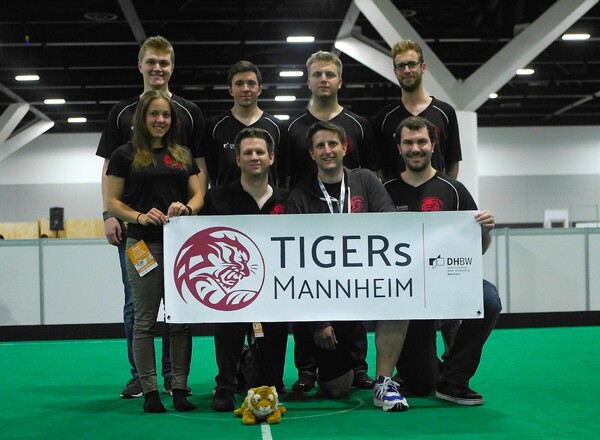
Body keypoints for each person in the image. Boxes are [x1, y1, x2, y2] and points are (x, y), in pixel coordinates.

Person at [96, 35, 206, 399]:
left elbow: (199, 180)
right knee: (137, 307)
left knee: (179, 313)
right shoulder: (121, 118)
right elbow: (110, 181)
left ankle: (175, 379)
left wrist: (191, 209)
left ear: (172, 67)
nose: (157, 68)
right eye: (151, 62)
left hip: (179, 240)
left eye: (164, 63)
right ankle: (142, 379)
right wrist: (113, 215)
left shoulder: (189, 118)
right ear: (140, 65)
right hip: (138, 240)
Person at [384, 115, 502, 405]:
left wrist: (485, 231)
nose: (415, 148)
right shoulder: (385, 191)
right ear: (398, 147)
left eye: (421, 141)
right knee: (421, 384)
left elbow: (476, 250)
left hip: (446, 283)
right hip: (406, 292)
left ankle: (454, 378)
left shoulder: (454, 190)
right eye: (408, 142)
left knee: (488, 299)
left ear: (433, 144)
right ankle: (425, 371)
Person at [286, 121, 404, 400]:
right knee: (336, 390)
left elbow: (389, 223)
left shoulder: (364, 180)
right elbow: (294, 265)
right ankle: (310, 368)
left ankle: (360, 367)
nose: (327, 150)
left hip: (360, 286)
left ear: (345, 147)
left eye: (333, 144)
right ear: (312, 154)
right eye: (320, 146)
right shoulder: (300, 195)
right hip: (321, 296)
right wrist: (319, 322)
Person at [286, 50, 378, 392]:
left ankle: (359, 366)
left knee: (354, 294)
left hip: (352, 228)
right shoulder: (293, 127)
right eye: (317, 74)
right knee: (304, 291)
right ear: (308, 81)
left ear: (340, 80)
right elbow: (285, 178)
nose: (323, 79)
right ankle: (306, 369)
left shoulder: (359, 125)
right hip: (307, 223)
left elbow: (370, 176)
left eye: (329, 74)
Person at [201, 127, 290, 412]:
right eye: (248, 152)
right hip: (232, 287)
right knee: (228, 330)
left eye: (260, 152)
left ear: (271, 157)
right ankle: (225, 386)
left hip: (275, 288)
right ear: (237, 159)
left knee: (271, 366)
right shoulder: (216, 198)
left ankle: (268, 380)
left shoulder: (288, 200)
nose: (254, 157)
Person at [373, 39, 462, 182]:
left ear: (423, 67)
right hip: (395, 195)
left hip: (437, 194)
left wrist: (446, 192)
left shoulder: (445, 112)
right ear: (395, 72)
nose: (407, 70)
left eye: (412, 64)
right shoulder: (384, 118)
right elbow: (380, 169)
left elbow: (452, 163)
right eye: (401, 66)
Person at [201, 60, 286, 187]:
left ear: (260, 90)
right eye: (239, 84)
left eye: (251, 83)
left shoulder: (278, 127)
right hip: (225, 199)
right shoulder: (213, 127)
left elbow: (284, 174)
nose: (245, 89)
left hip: (267, 200)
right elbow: (207, 173)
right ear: (230, 90)